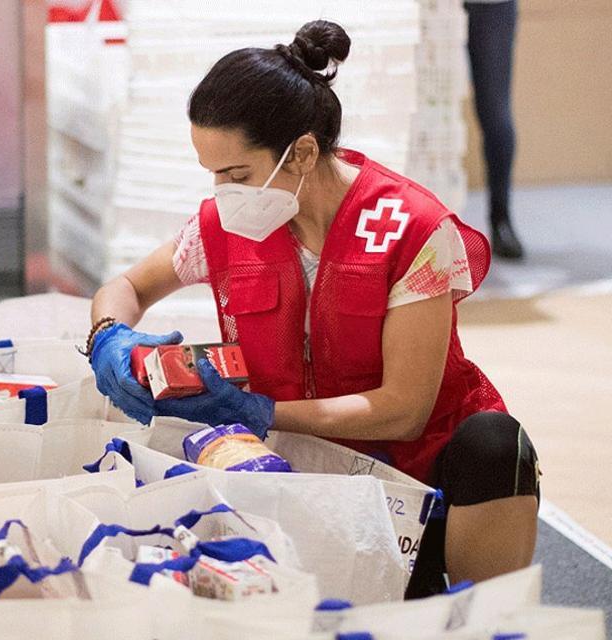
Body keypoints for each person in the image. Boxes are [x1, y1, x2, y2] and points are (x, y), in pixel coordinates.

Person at [84, 20, 539, 598]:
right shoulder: (226, 224)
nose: (222, 192)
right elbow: (128, 286)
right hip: (287, 477)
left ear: (300, 153)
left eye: (237, 173)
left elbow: (403, 409)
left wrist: (260, 411)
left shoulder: (412, 231)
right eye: (213, 175)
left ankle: (489, 628)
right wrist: (108, 337)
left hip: (410, 479)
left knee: (494, 444)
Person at [466, 0, 523, 259]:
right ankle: (421, 226)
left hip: (491, 5)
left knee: (495, 114)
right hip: (429, 9)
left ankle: (501, 219)